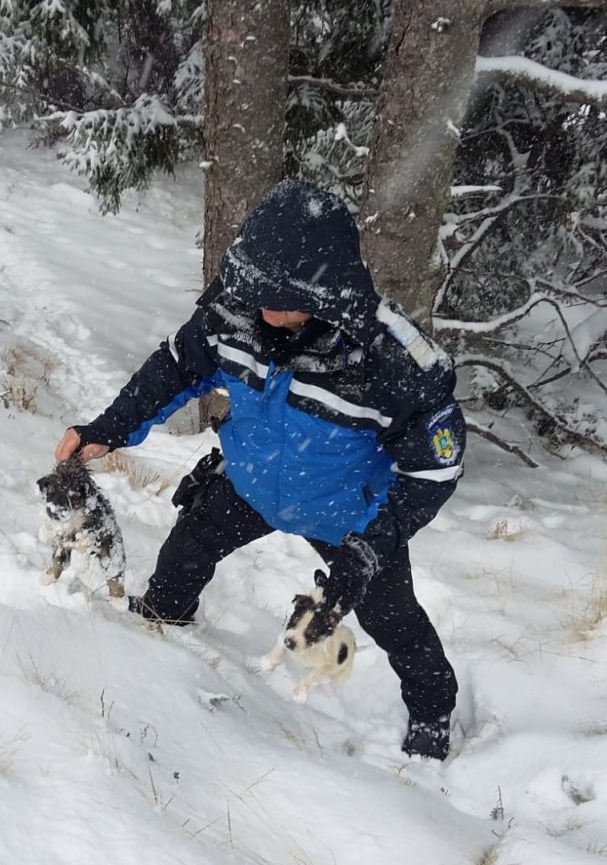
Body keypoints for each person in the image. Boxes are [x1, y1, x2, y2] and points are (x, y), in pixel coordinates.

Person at [56, 181, 466, 760]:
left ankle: (433, 713)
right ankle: (155, 633)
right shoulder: (232, 314)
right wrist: (105, 429)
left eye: (283, 298)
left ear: (330, 291)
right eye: (258, 291)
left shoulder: (391, 360)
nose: (266, 309)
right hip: (249, 483)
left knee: (397, 624)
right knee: (184, 551)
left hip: (348, 514)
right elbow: (173, 369)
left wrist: (371, 547)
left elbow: (434, 470)